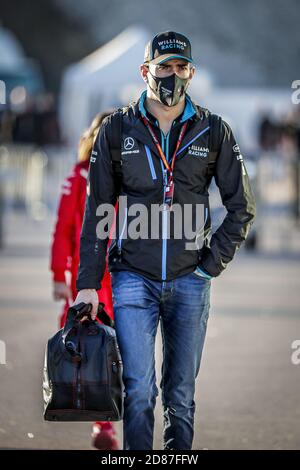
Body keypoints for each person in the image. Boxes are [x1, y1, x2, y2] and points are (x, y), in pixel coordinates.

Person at [73, 31, 256, 450]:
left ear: (191, 72)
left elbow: (241, 206)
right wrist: (88, 280)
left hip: (191, 280)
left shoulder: (214, 130)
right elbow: (98, 208)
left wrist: (211, 264)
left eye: (181, 67)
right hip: (132, 278)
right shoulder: (117, 129)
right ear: (145, 72)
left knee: (181, 396)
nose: (173, 75)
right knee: (138, 392)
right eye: (164, 67)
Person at [50, 111, 119, 450]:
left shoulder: (132, 177)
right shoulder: (78, 176)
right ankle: (102, 423)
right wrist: (58, 276)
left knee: (121, 350)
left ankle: (120, 415)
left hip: (123, 278)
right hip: (86, 281)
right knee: (92, 350)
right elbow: (63, 228)